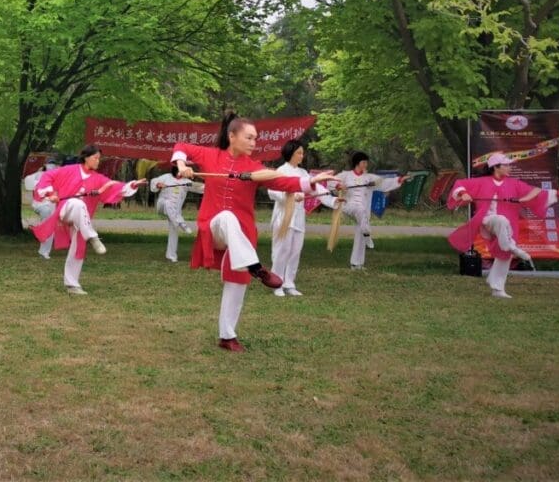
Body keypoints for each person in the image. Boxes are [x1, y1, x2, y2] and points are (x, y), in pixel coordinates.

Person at [171, 112, 337, 353]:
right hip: (214, 227)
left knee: (237, 281)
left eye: (255, 138)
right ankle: (257, 267)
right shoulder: (210, 155)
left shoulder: (254, 167)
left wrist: (312, 182)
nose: (253, 142)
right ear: (232, 136)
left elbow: (284, 183)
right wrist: (182, 164)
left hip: (242, 238)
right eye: (249, 137)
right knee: (227, 217)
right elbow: (180, 147)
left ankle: (227, 336)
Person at [447, 152, 559, 299]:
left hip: (507, 226)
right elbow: (459, 185)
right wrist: (464, 193)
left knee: (505, 255)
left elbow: (535, 193)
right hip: (487, 221)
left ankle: (497, 288)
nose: (510, 168)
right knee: (501, 220)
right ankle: (511, 246)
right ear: (496, 167)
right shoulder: (481, 182)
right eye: (506, 165)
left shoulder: (514, 184)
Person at [32, 145, 145, 295]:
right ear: (86, 157)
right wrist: (50, 193)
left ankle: (72, 284)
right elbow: (47, 177)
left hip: (81, 219)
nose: (98, 161)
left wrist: (132, 185)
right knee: (78, 203)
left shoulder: (98, 179)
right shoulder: (69, 170)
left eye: (99, 158)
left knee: (78, 247)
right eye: (95, 158)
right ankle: (93, 236)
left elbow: (114, 186)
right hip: (66, 210)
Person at [268, 139, 333, 297]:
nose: (301, 156)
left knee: (295, 250)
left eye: (302, 153)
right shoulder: (281, 171)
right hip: (283, 217)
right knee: (281, 250)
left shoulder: (303, 173)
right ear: (290, 153)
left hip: (298, 218)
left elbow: (316, 188)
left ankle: (289, 283)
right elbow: (272, 191)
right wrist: (289, 195)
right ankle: (276, 283)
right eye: (299, 153)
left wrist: (333, 200)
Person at [334, 152, 404, 269]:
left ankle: (357, 263)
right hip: (348, 206)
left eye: (367, 162)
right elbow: (331, 182)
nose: (366, 164)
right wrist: (339, 186)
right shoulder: (345, 175)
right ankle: (367, 232)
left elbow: (384, 183)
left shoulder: (369, 178)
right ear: (357, 163)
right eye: (364, 162)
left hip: (362, 211)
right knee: (360, 212)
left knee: (360, 227)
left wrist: (399, 180)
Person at [149, 167, 197, 262]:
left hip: (175, 213)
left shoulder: (186, 182)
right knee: (168, 203)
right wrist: (158, 184)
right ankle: (182, 223)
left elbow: (200, 188)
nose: (181, 174)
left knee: (174, 229)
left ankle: (171, 256)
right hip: (162, 206)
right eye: (179, 172)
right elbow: (154, 181)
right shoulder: (166, 177)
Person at [24, 158, 59, 259]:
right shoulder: (39, 175)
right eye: (50, 164)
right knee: (48, 225)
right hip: (41, 205)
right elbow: (33, 187)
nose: (52, 167)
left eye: (54, 165)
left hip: (52, 204)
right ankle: (43, 251)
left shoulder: (57, 176)